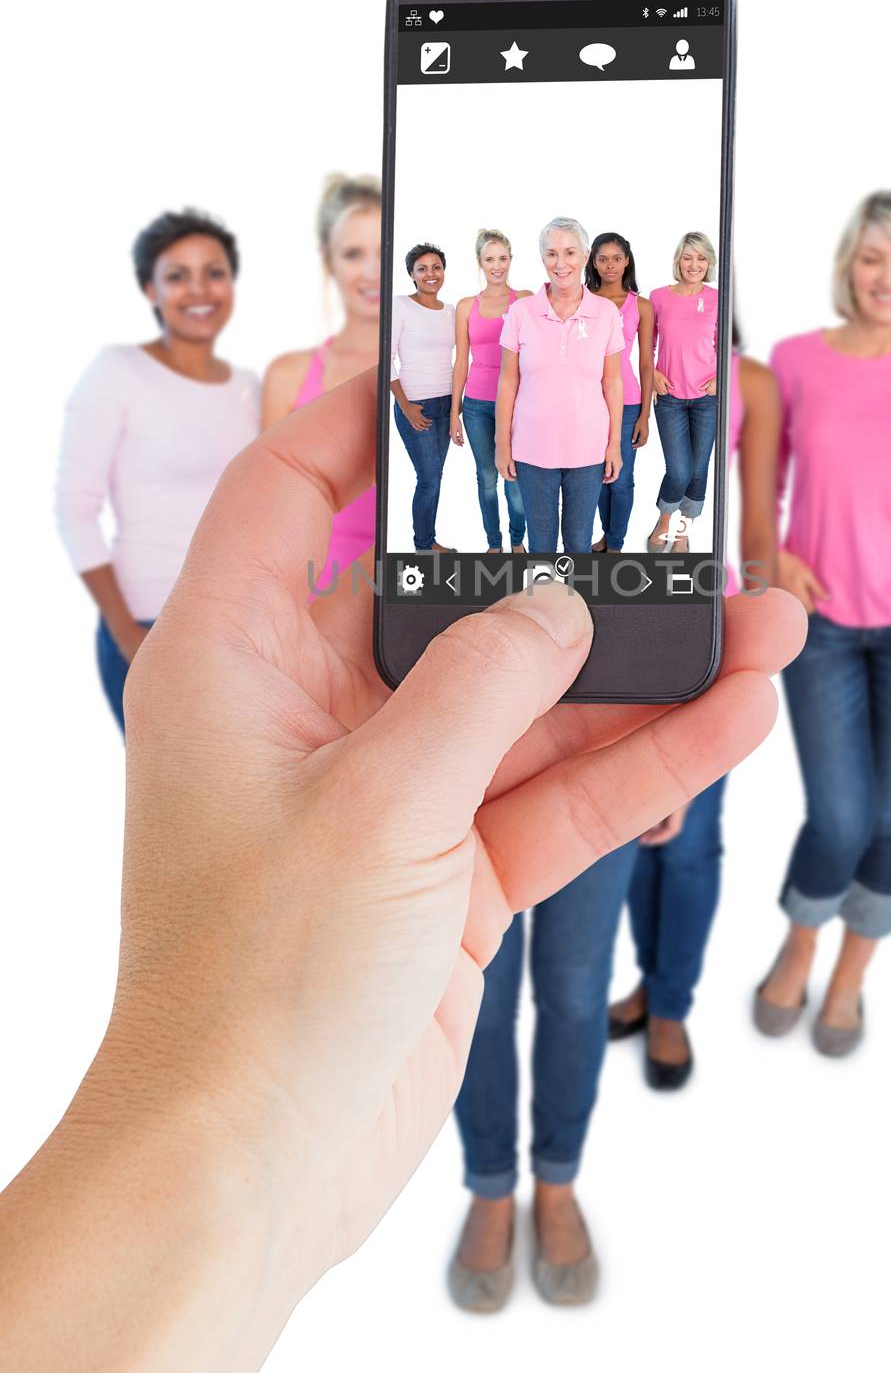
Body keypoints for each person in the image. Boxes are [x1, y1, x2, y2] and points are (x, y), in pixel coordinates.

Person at [0, 365, 805, 1366]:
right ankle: (488, 1185)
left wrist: (670, 735)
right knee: (450, 991)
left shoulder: (635, 415)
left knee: (568, 988)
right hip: (424, 729)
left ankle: (555, 1176)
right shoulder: (471, 400)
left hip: (592, 738)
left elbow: (685, 557)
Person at [754, 190, 891, 1057]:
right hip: (819, 627)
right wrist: (769, 559)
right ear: (849, 263)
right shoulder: (794, 359)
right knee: (840, 814)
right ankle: (801, 937)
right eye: (874, 257)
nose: (889, 276)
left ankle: (850, 971)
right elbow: (764, 481)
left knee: (890, 813)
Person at [610, 329, 781, 1085]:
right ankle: (650, 980)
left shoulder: (751, 380)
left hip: (707, 615)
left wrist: (756, 633)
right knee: (628, 820)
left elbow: (755, 517)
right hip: (613, 611)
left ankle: (672, 1001)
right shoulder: (612, 344)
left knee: (690, 832)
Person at [55, 208, 259, 734]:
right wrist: (127, 635)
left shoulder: (248, 387)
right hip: (146, 620)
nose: (200, 290)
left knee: (230, 802)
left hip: (231, 628)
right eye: (177, 275)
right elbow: (75, 510)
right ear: (150, 288)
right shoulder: (117, 372)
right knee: (174, 802)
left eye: (214, 272)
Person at [261, 173, 381, 586]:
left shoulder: (433, 373)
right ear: (328, 260)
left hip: (404, 602)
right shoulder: (287, 377)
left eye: (383, 250)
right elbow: (266, 516)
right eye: (352, 254)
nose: (370, 271)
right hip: (306, 601)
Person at [496, 218, 623, 555]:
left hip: (588, 448)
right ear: (542, 260)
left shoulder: (606, 313)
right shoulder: (521, 312)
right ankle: (541, 605)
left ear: (584, 257)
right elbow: (508, 381)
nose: (560, 263)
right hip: (532, 448)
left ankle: (573, 607)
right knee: (541, 544)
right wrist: (502, 444)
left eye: (569, 252)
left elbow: (612, 382)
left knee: (578, 544)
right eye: (551, 254)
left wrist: (614, 445)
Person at [450, 228, 531, 551]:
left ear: (510, 260)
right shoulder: (466, 306)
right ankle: (493, 543)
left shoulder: (524, 300)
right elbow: (461, 361)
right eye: (489, 259)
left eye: (502, 258)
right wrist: (455, 412)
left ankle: (516, 541)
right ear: (479, 263)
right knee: (486, 477)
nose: (497, 265)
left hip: (517, 403)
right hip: (477, 406)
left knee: (514, 477)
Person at [646, 230, 720, 553]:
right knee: (679, 470)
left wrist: (721, 376)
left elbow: (729, 345)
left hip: (707, 398)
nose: (694, 264)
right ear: (679, 260)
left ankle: (684, 531)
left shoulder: (719, 298)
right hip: (671, 397)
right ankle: (665, 519)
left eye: (701, 258)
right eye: (688, 257)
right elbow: (645, 346)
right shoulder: (659, 297)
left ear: (709, 263)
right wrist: (654, 375)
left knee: (699, 470)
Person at [584, 232, 654, 551]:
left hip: (627, 402)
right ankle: (606, 535)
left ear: (627, 261)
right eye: (602, 259)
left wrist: (644, 416)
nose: (609, 265)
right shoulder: (581, 299)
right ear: (593, 263)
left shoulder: (641, 306)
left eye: (616, 258)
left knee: (621, 477)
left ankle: (615, 543)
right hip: (587, 400)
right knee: (597, 476)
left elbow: (645, 363)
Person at [390, 242, 455, 551]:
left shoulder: (450, 311)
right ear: (411, 275)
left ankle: (429, 541)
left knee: (435, 477)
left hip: (446, 403)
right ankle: (423, 546)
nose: (431, 274)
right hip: (416, 403)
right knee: (428, 479)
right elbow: (386, 358)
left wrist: (455, 408)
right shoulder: (400, 305)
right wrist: (405, 407)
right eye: (423, 269)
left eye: (436, 267)